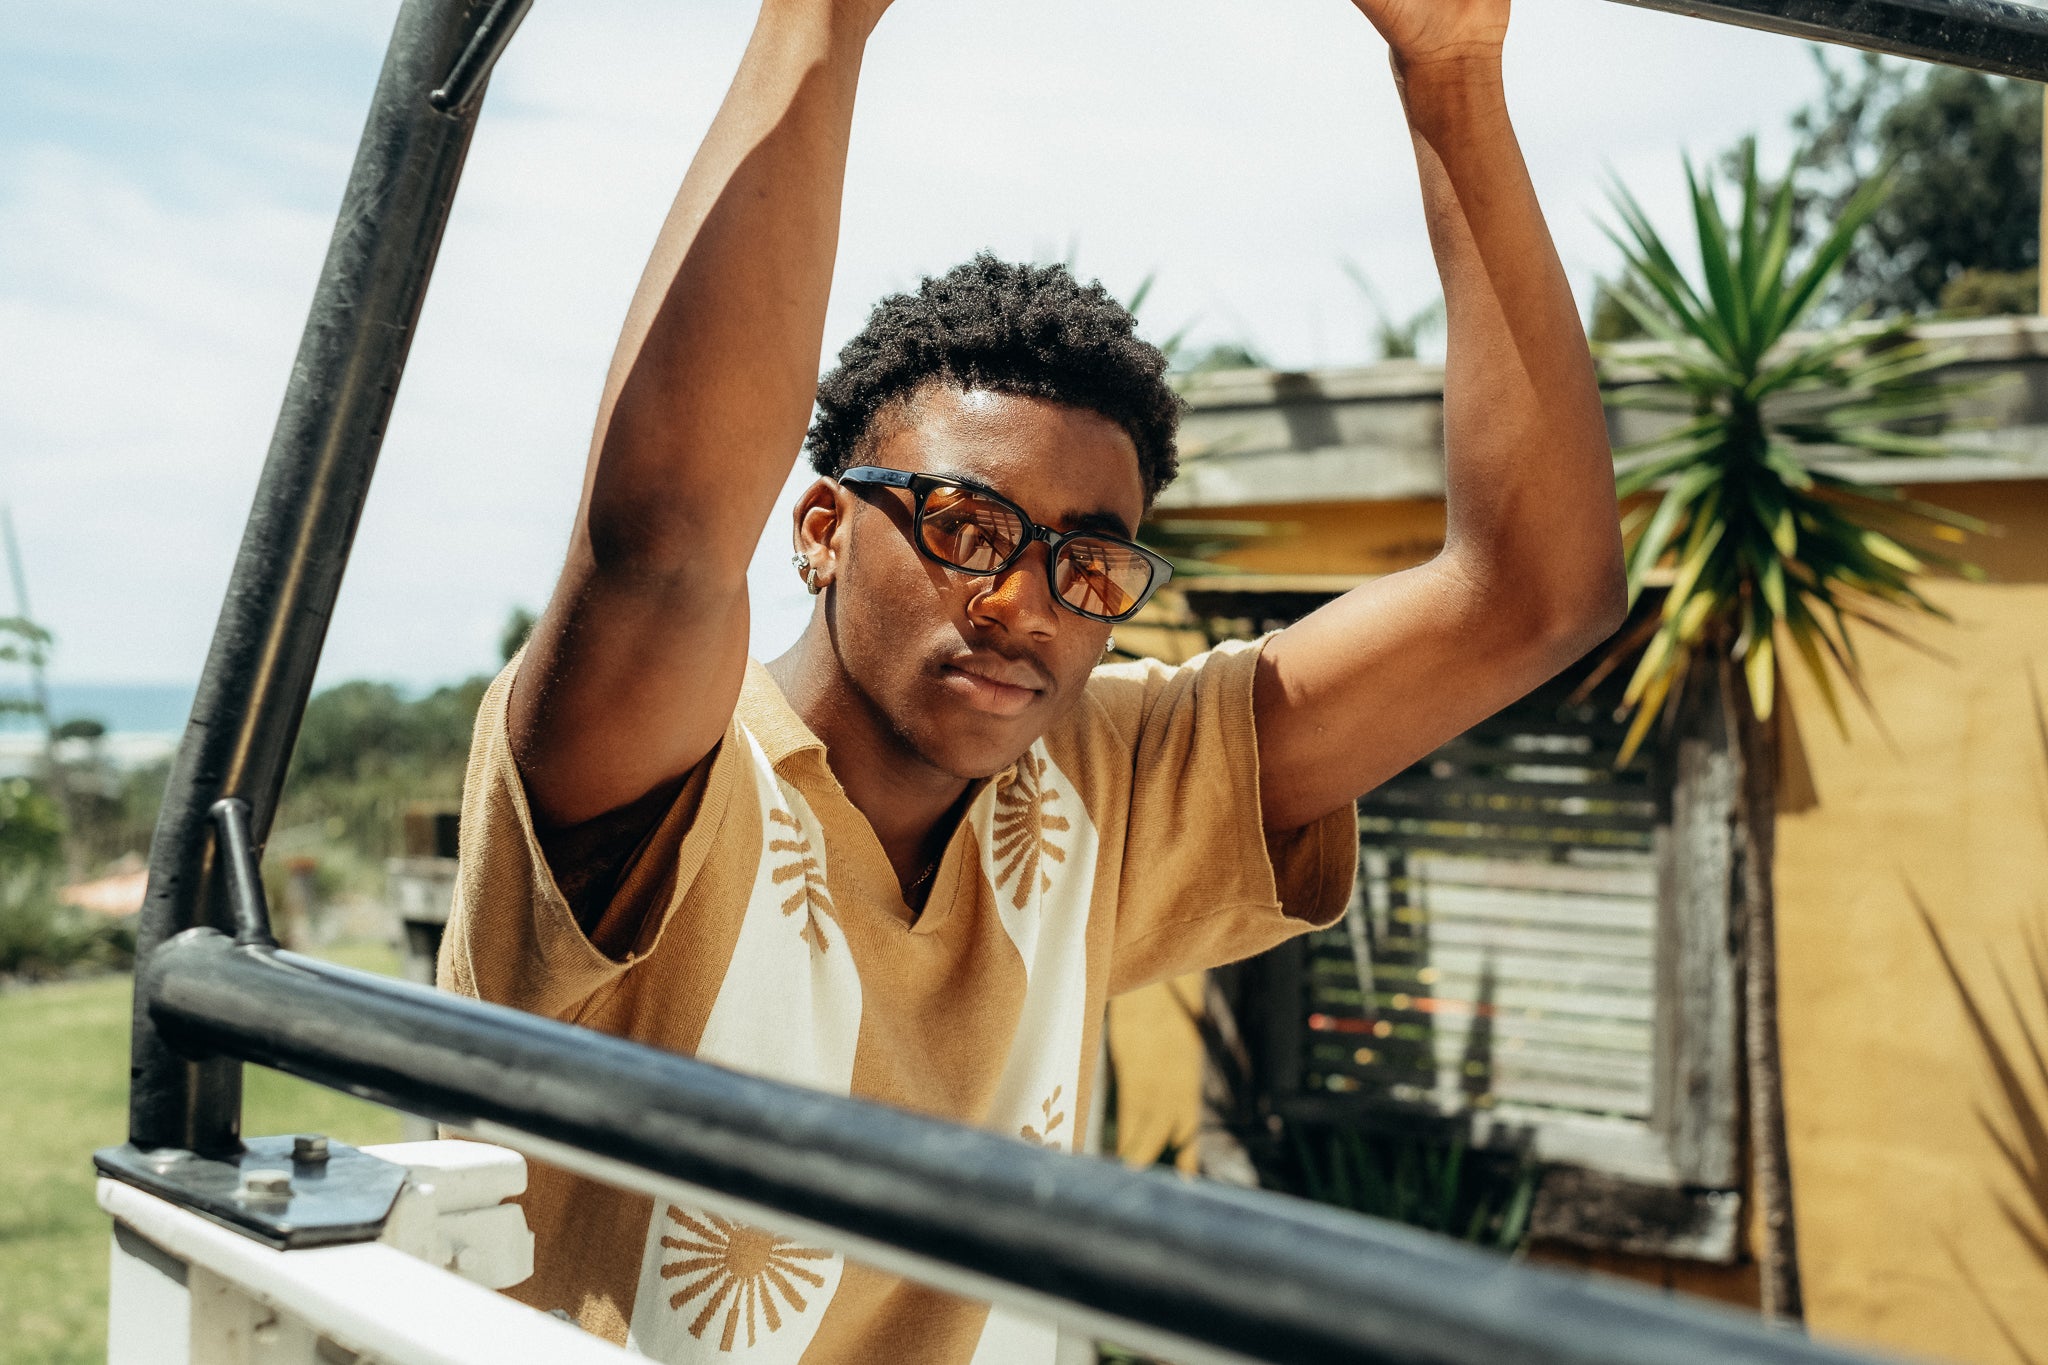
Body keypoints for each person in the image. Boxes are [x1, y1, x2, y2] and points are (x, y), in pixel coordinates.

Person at [438, 0, 1625, 1358]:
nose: (1021, 605)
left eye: (1088, 564)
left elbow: (1535, 595)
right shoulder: (663, 779)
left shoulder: (1095, 786)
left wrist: (1453, 66)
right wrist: (817, 20)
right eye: (964, 528)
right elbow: (660, 540)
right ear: (821, 531)